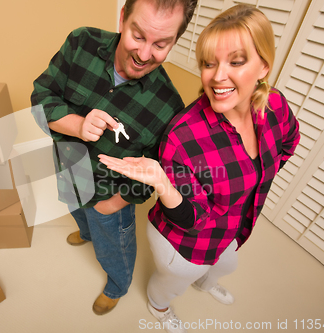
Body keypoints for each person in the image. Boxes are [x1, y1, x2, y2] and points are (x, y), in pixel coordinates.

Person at [99, 4, 300, 332]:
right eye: (209, 63)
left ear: (263, 65)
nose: (217, 76)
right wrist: (163, 184)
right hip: (184, 243)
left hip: (232, 228)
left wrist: (252, 179)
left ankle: (206, 284)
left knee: (226, 265)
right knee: (173, 282)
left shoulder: (273, 103)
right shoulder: (184, 135)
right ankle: (159, 307)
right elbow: (191, 218)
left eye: (236, 61)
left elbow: (290, 140)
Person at [30, 0, 198, 315]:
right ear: (123, 18)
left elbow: (156, 173)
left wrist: (113, 204)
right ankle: (86, 232)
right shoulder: (81, 42)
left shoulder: (171, 107)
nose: (145, 55)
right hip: (69, 171)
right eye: (138, 36)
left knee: (114, 250)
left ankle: (117, 285)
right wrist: (78, 126)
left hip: (110, 196)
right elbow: (41, 98)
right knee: (77, 212)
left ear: (174, 42)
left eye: (161, 44)